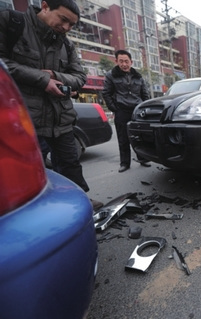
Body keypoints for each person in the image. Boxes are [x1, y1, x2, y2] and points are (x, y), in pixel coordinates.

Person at [0, 0, 103, 210]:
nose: (66, 28)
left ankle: (80, 202)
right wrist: (42, 79)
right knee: (29, 172)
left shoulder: (66, 44)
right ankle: (36, 212)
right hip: (27, 120)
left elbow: (80, 77)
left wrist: (56, 75)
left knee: (70, 164)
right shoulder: (12, 23)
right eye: (63, 20)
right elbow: (3, 63)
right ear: (45, 6)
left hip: (61, 118)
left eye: (71, 25)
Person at [102, 49, 151, 172]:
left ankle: (143, 158)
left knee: (140, 137)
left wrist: (144, 108)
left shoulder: (138, 76)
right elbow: (106, 93)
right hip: (121, 111)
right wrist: (114, 108)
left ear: (131, 62)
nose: (124, 64)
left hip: (137, 111)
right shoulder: (111, 75)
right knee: (123, 138)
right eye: (121, 61)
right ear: (116, 61)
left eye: (126, 61)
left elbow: (145, 94)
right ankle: (124, 163)